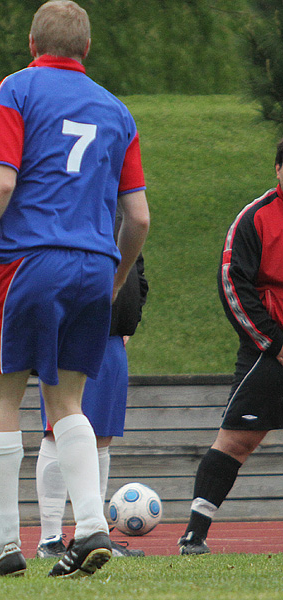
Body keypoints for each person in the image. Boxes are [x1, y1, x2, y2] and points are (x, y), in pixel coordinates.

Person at [0, 0, 150, 578]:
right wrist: (114, 276)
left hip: (30, 261)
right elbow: (137, 217)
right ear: (86, 48)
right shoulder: (118, 110)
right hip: (94, 264)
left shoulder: (12, 91)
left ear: (31, 42)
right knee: (68, 401)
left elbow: (2, 180)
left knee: (3, 397)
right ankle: (89, 526)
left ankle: (6, 545)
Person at [179, 136, 283, 556]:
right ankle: (194, 535)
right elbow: (232, 284)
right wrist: (273, 343)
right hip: (270, 349)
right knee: (237, 440)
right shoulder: (255, 218)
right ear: (278, 170)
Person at [36, 247, 148, 559]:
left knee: (102, 434)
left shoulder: (121, 207)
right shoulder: (69, 203)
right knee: (57, 430)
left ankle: (94, 533)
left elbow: (137, 266)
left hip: (112, 332)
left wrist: (129, 319)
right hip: (71, 327)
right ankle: (50, 539)